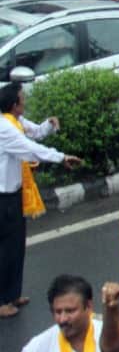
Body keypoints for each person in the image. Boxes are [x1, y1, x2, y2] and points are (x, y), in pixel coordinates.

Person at [0, 83, 80, 318]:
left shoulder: (15, 122)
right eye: (22, 98)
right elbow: (30, 149)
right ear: (14, 105)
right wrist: (61, 157)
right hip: (3, 198)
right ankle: (2, 300)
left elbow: (35, 132)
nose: (25, 101)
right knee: (5, 250)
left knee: (16, 247)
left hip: (14, 195)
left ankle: (12, 294)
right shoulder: (4, 128)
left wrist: (49, 125)